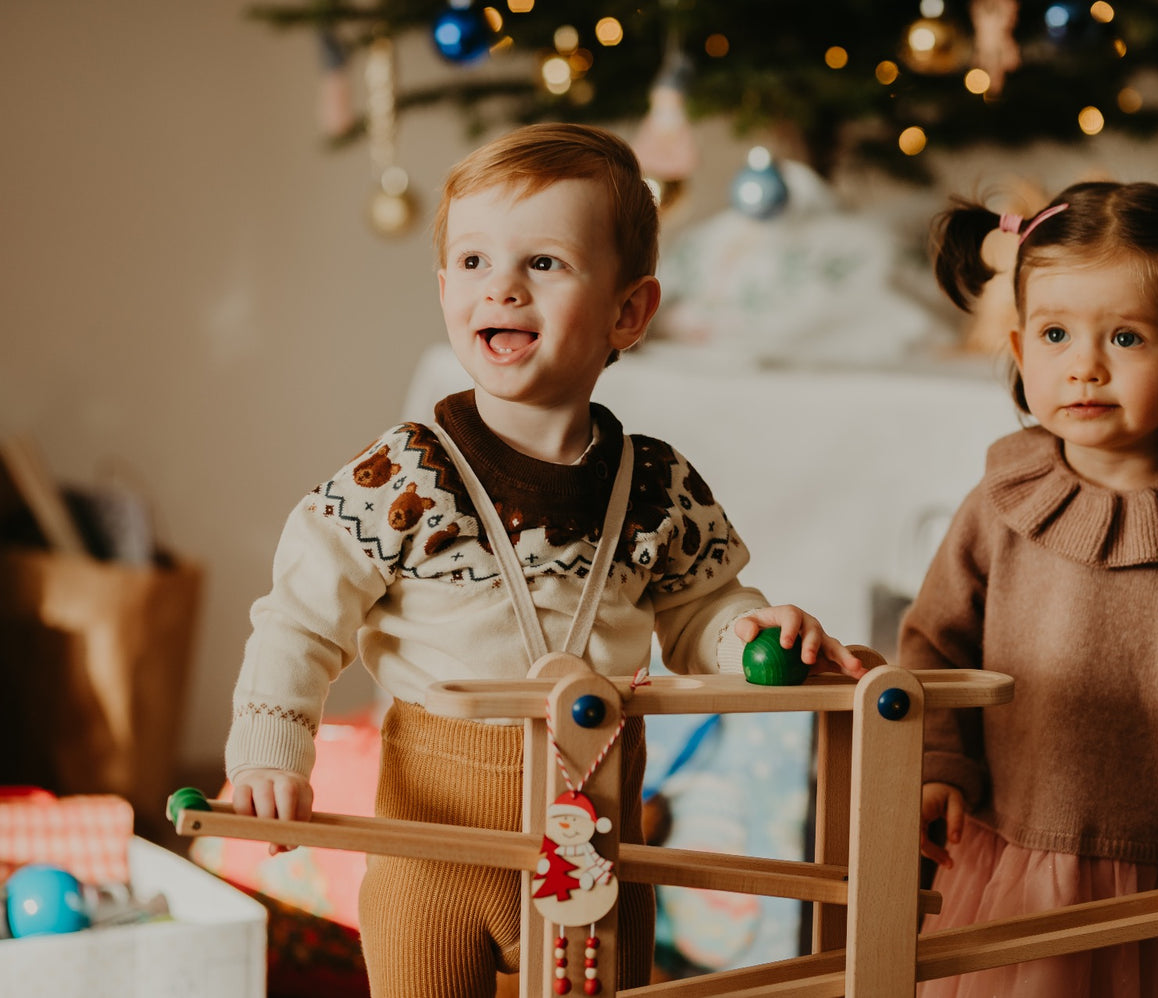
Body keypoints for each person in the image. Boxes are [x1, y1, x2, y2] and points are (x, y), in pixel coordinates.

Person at [223, 122, 864, 997]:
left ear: (628, 312)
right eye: (476, 263)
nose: (505, 290)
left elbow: (702, 612)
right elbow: (299, 618)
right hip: (433, 856)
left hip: (599, 853)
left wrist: (750, 628)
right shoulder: (401, 476)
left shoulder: (659, 485)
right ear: (445, 287)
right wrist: (269, 754)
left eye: (546, 264)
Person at [903, 181, 1158, 997]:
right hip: (1009, 851)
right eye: (1056, 334)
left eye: (1125, 337)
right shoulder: (1001, 504)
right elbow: (937, 642)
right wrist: (941, 761)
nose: (1085, 366)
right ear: (1022, 355)